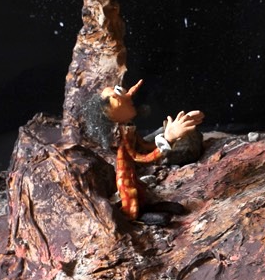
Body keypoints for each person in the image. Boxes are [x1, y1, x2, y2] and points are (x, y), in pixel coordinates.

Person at [84, 77, 204, 225]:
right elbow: (141, 157)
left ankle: (149, 208)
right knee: (131, 200)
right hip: (125, 177)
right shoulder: (122, 137)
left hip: (133, 174)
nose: (128, 96)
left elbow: (145, 145)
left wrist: (168, 136)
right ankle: (138, 217)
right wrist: (168, 140)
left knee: (141, 192)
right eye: (118, 96)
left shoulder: (128, 128)